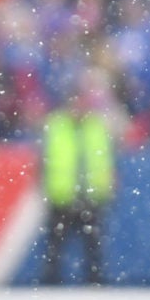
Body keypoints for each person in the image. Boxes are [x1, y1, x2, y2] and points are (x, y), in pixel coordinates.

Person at [39, 74, 118, 286]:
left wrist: (106, 186)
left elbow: (106, 159)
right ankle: (50, 284)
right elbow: (44, 160)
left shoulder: (96, 126)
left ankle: (94, 283)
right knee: (55, 248)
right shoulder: (56, 125)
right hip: (62, 195)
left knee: (93, 248)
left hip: (90, 195)